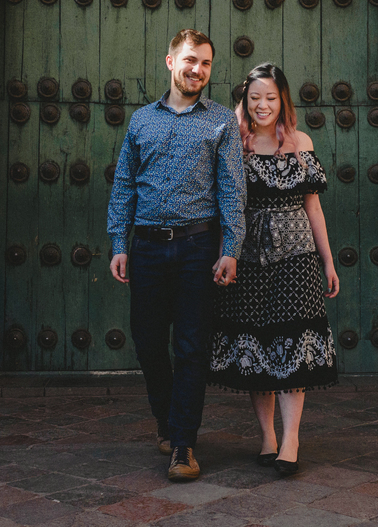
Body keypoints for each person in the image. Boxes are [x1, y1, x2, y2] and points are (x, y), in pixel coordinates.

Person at [108, 29, 247, 482]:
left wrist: (231, 248)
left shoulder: (221, 121)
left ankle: (183, 444)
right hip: (147, 247)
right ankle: (168, 422)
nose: (198, 70)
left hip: (196, 248)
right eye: (190, 60)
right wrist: (118, 242)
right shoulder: (142, 120)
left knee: (190, 348)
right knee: (149, 343)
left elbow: (231, 190)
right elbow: (125, 185)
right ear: (171, 62)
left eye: (206, 63)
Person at [208, 63, 340, 476]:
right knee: (257, 347)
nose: (263, 105)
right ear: (244, 102)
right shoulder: (235, 143)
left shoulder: (301, 142)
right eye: (254, 98)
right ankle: (266, 435)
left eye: (270, 97)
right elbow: (224, 208)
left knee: (293, 345)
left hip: (297, 258)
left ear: (282, 99)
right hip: (247, 259)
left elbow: (313, 207)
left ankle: (291, 439)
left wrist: (328, 260)